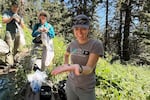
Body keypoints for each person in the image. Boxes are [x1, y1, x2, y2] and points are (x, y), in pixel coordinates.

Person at [51, 14, 104, 100]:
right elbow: (66, 54)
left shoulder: (95, 45)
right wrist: (66, 64)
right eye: (76, 29)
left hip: (86, 88)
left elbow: (89, 69)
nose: (79, 32)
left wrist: (75, 67)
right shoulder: (73, 44)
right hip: (71, 85)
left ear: (88, 29)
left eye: (83, 29)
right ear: (73, 30)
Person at [2, 1, 25, 67]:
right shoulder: (7, 13)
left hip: (18, 32)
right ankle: (9, 64)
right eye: (14, 6)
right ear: (11, 6)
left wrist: (19, 20)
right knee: (9, 47)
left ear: (18, 8)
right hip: (9, 31)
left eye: (16, 7)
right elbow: (3, 21)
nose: (15, 8)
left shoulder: (19, 15)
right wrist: (12, 18)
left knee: (17, 48)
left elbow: (23, 26)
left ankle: (15, 62)